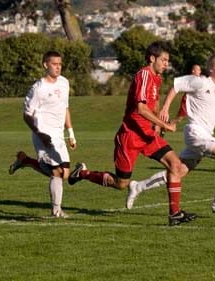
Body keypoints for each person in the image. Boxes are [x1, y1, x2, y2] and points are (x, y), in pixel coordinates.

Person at [68, 41, 196, 226]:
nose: (166, 64)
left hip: (148, 135)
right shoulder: (143, 75)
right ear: (152, 58)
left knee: (175, 165)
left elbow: (154, 104)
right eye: (164, 60)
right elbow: (141, 109)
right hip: (130, 137)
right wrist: (165, 125)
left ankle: (174, 214)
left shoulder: (157, 78)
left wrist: (158, 127)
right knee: (121, 184)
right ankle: (83, 173)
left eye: (168, 60)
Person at [126, 53, 215, 214]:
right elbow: (176, 85)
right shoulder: (200, 82)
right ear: (211, 68)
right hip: (195, 132)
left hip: (206, 135)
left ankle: (138, 186)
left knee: (178, 171)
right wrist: (166, 108)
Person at [9, 51, 77, 218]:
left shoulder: (64, 83)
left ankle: (25, 160)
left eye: (60, 64)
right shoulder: (38, 89)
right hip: (43, 135)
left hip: (59, 135)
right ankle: (56, 210)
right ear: (45, 65)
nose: (58, 67)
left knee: (65, 174)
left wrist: (71, 133)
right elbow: (26, 115)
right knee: (57, 173)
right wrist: (40, 133)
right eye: (54, 64)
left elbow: (65, 108)